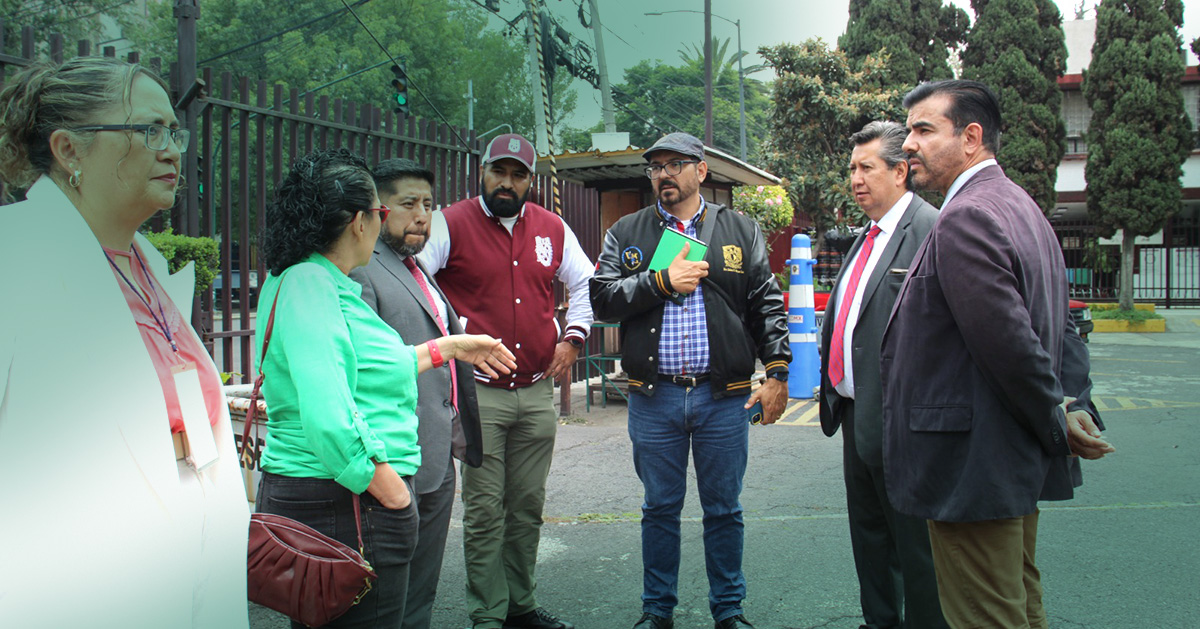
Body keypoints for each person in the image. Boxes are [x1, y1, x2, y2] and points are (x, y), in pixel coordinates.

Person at [0, 58, 249, 627]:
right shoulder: (13, 255)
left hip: (192, 562)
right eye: (147, 130)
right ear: (69, 150)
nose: (171, 150)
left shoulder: (152, 265)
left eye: (173, 131)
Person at [880, 80, 1115, 629]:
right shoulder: (1021, 207)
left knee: (986, 615)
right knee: (1018, 605)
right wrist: (1065, 405)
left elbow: (1010, 345)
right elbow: (1058, 332)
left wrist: (1056, 416)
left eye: (922, 129)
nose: (907, 143)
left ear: (971, 137)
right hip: (1006, 463)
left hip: (973, 470)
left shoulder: (967, 216)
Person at [254, 148, 516, 629]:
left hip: (347, 496)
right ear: (360, 221)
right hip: (345, 499)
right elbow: (328, 413)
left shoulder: (317, 279)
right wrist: (391, 492)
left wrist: (451, 347)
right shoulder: (311, 283)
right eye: (382, 210)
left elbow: (372, 366)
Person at [590, 132, 791, 629]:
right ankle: (657, 610)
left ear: (701, 171)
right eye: (655, 166)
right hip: (653, 397)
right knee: (658, 508)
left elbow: (766, 303)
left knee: (724, 509)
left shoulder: (740, 230)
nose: (663, 174)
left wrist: (778, 372)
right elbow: (602, 299)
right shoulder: (627, 232)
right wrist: (660, 282)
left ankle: (729, 610)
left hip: (723, 397)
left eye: (675, 164)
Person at [418, 132, 591, 629]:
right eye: (500, 172)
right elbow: (419, 283)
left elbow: (584, 283)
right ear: (482, 171)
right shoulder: (451, 223)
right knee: (485, 508)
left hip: (537, 391)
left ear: (529, 181)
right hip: (479, 396)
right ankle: (487, 614)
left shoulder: (551, 228)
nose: (507, 183)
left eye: (518, 175)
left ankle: (520, 606)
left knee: (527, 506)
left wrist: (572, 338)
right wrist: (460, 334)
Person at [817, 121, 945, 629]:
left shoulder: (932, 228)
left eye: (867, 167)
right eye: (852, 168)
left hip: (905, 424)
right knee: (871, 541)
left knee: (916, 551)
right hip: (856, 415)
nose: (855, 179)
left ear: (900, 171)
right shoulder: (867, 235)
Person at [349, 158, 482, 629]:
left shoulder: (416, 267)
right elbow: (362, 372)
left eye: (429, 204)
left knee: (421, 590)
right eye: (408, 204)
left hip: (437, 451)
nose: (422, 215)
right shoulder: (364, 271)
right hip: (395, 462)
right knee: (387, 597)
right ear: (377, 210)